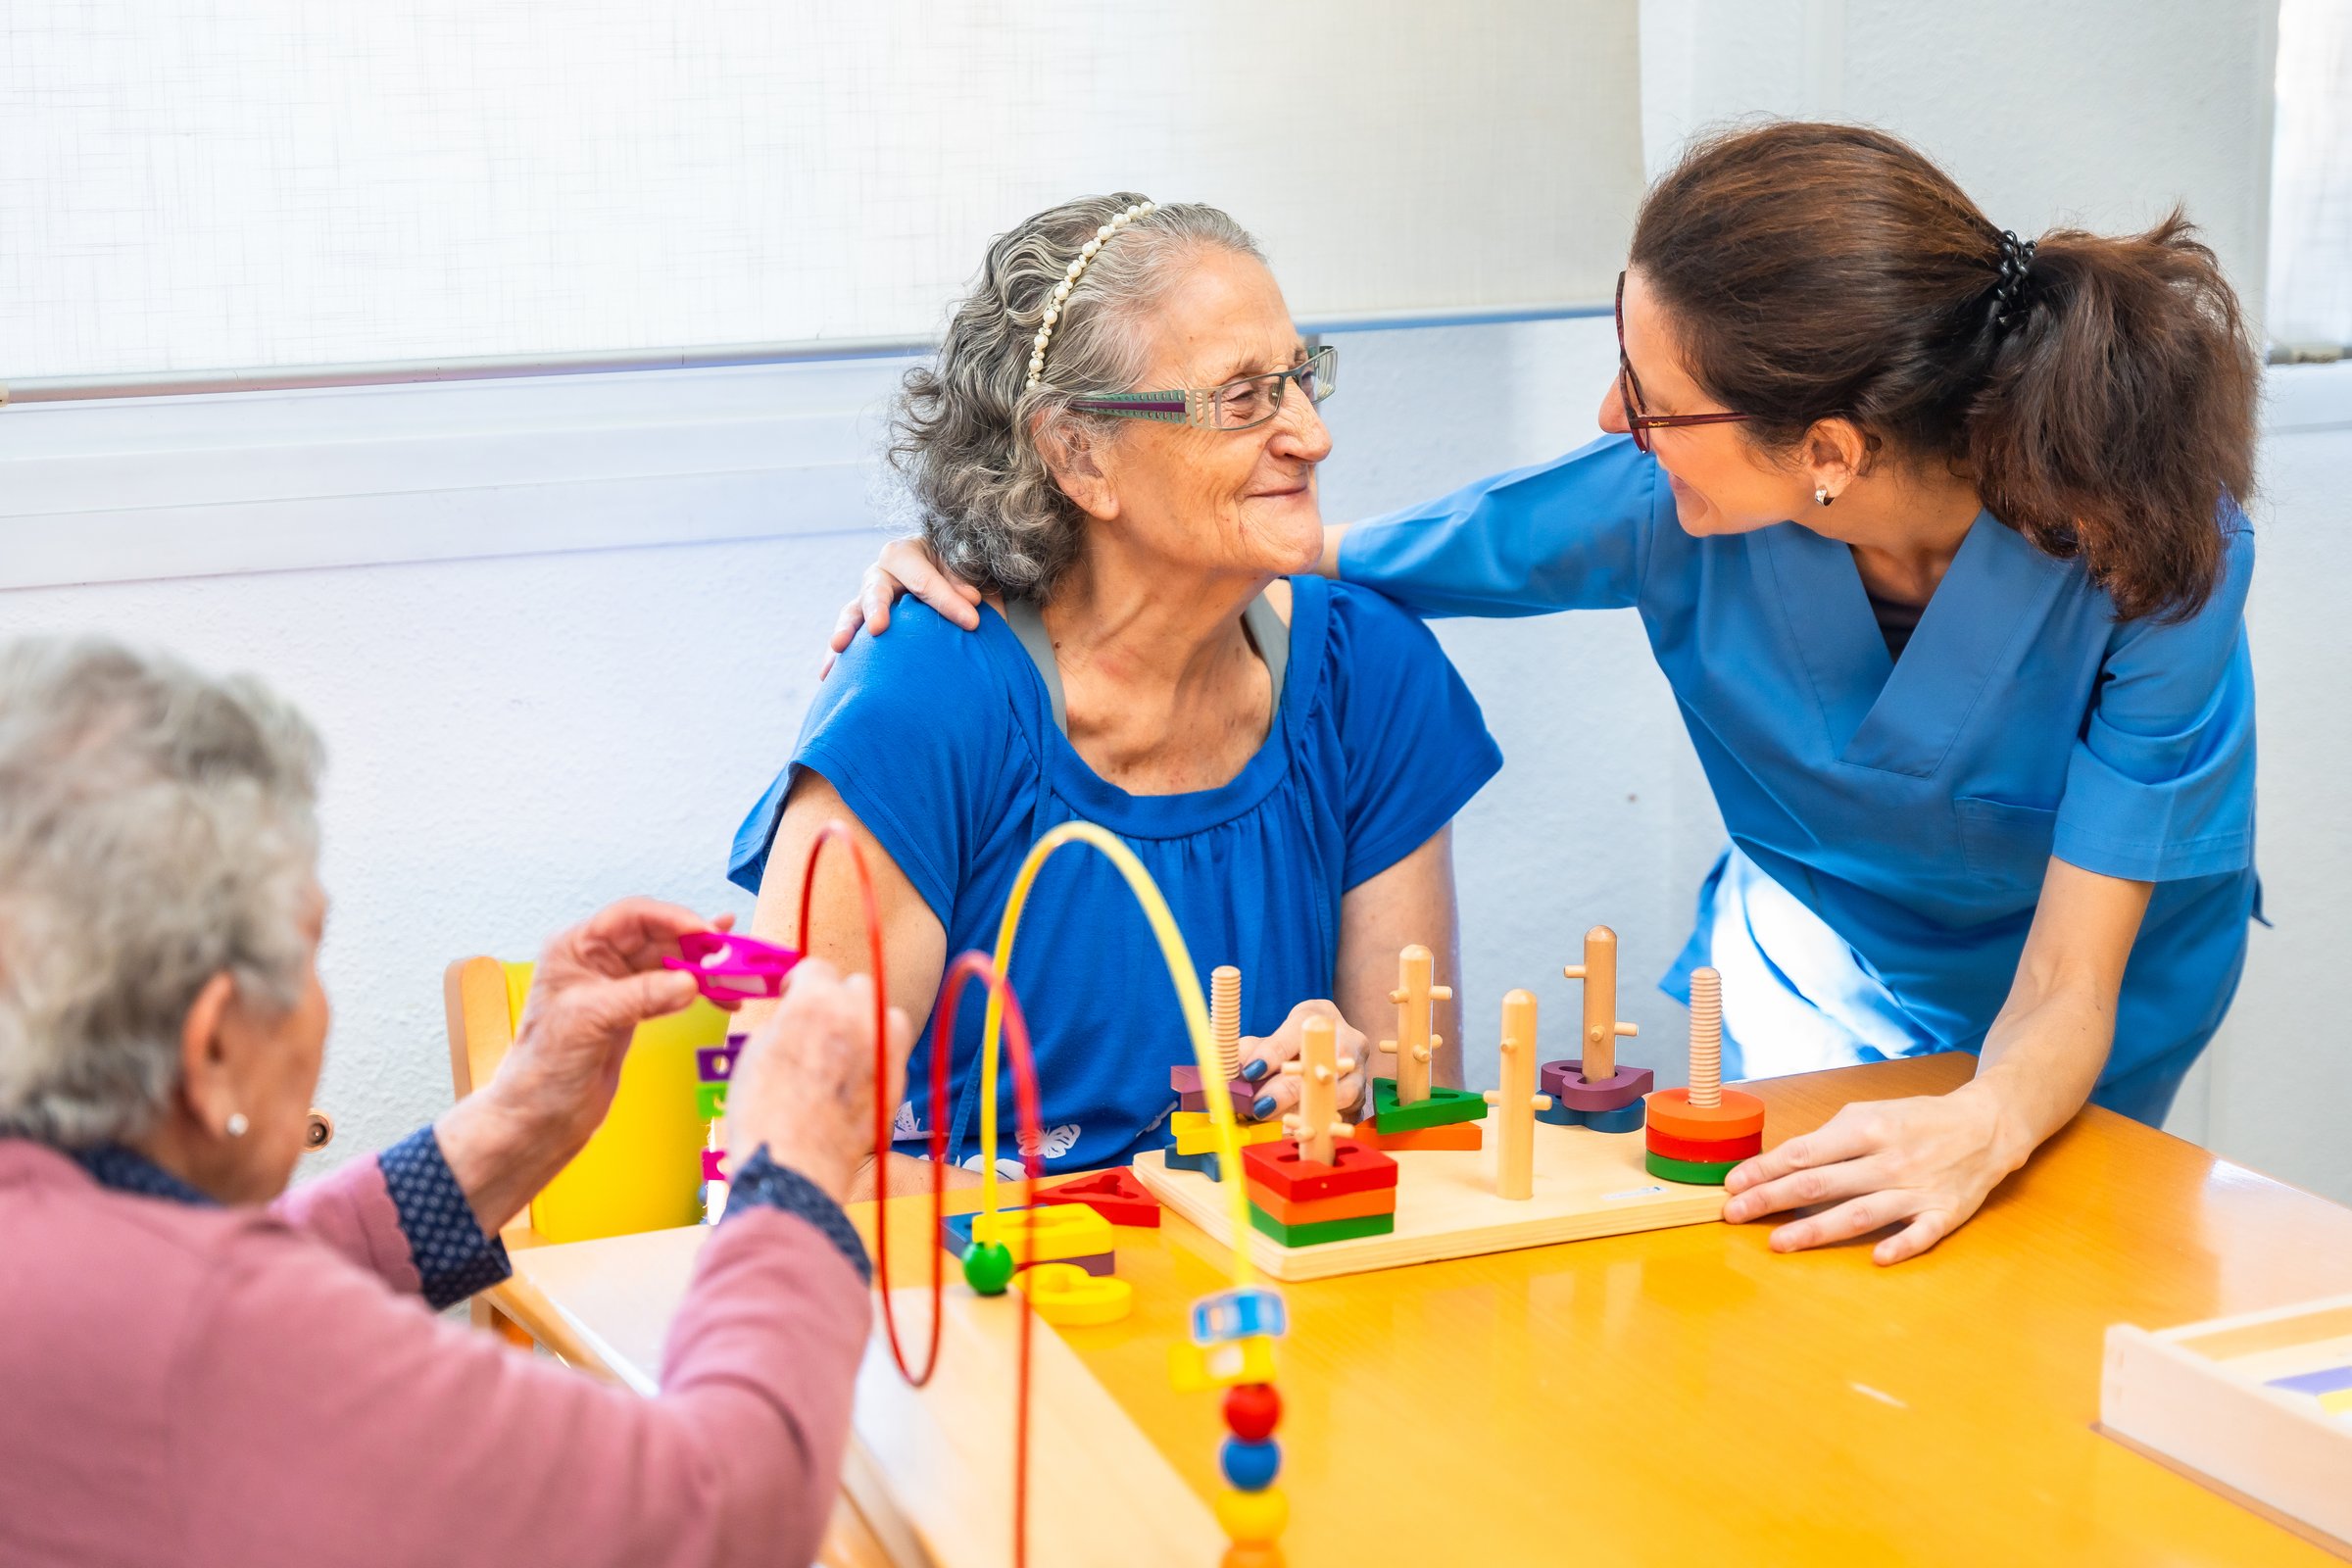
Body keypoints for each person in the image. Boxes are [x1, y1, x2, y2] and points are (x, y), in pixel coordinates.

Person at [830, 123, 2262, 1263]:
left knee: (2027, 1312)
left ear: (1824, 448)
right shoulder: (1667, 497)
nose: (1610, 422)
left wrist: (1992, 1118)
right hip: (1814, 987)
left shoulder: (2149, 548)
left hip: (2078, 1007)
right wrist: (989, 552)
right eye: (1244, 397)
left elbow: (2071, 987)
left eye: (1647, 394)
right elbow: (1327, 548)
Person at [0, 636, 910, 1568]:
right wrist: (788, 1173)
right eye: (312, 955)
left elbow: (178, 1292)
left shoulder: (73, 1263)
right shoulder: (210, 1347)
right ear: (215, 1046)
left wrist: (515, 1123)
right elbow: (727, 1513)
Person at [733, 194, 1500, 1193]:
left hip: (1256, 1323)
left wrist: (1342, 1095)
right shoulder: (922, 703)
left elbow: (1418, 1126)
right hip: (980, 1315)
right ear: (1078, 454)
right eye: (1242, 397)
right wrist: (1144, 1212)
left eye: (1301, 377)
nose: (1311, 436)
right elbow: (777, 1163)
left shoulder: (1369, 675)